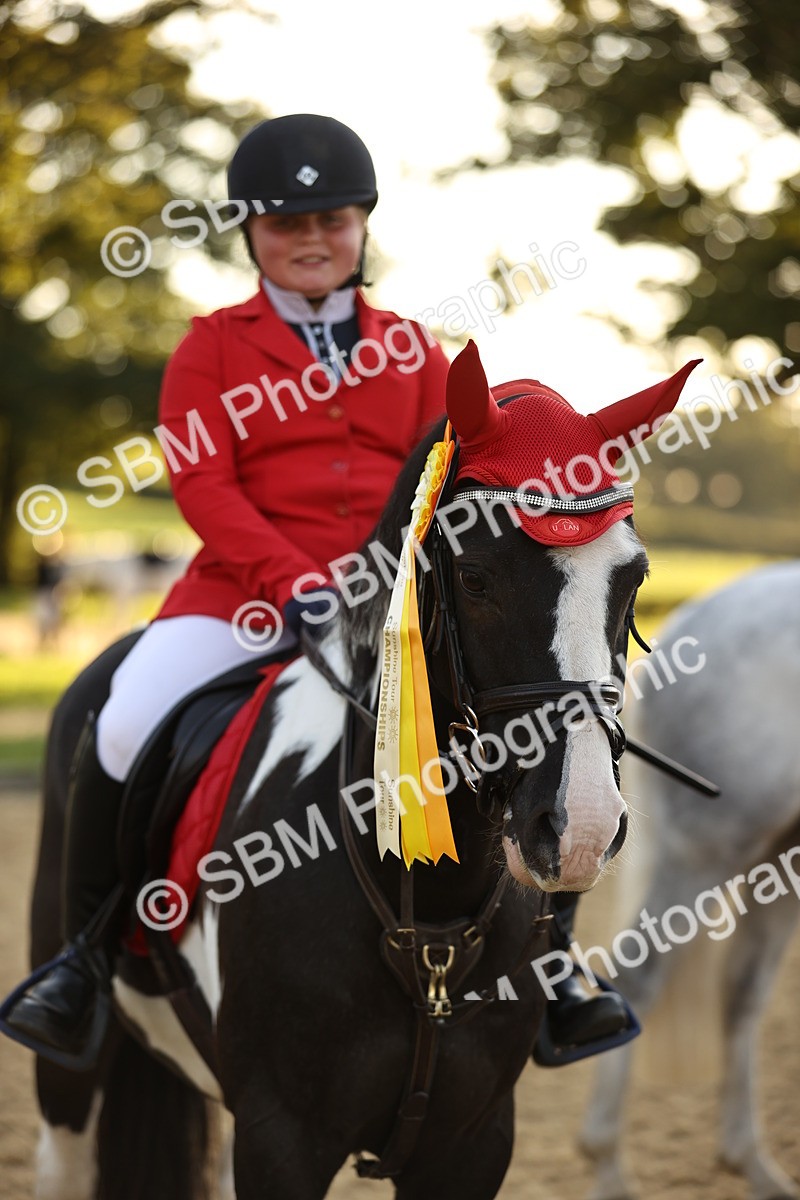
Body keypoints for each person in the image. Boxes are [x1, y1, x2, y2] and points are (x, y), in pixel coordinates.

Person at [5, 114, 627, 1065]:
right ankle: (83, 962)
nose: (308, 237)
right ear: (250, 233)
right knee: (124, 718)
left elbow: (457, 485)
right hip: (240, 599)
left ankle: (552, 968)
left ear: (361, 227)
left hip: (395, 613)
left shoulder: (418, 351)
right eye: (283, 220)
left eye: (330, 218)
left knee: (541, 718)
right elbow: (204, 486)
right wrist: (294, 585)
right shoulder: (211, 349)